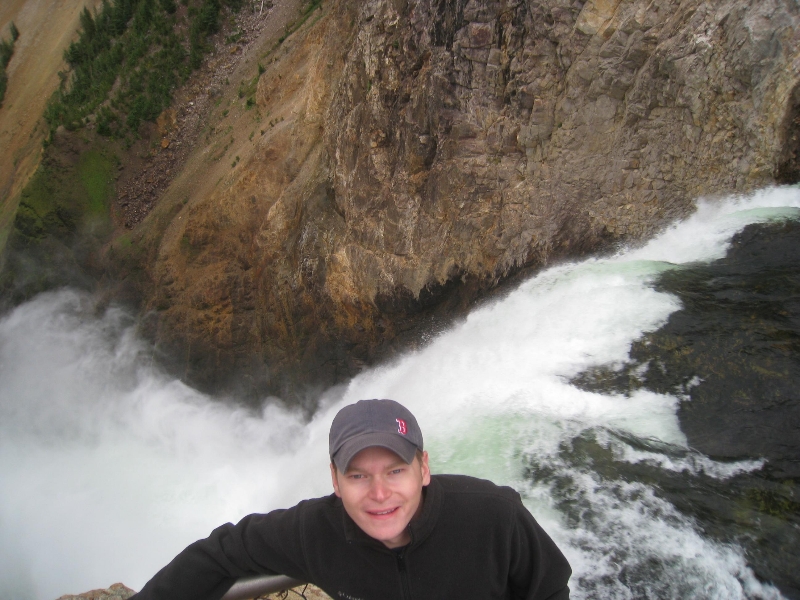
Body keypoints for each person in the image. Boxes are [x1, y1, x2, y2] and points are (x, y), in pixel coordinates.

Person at [131, 399, 572, 600]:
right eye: (358, 475)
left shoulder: (493, 515)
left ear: (424, 469)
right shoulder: (314, 531)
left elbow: (550, 589)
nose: (379, 494)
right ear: (335, 481)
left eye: (395, 471)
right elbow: (222, 552)